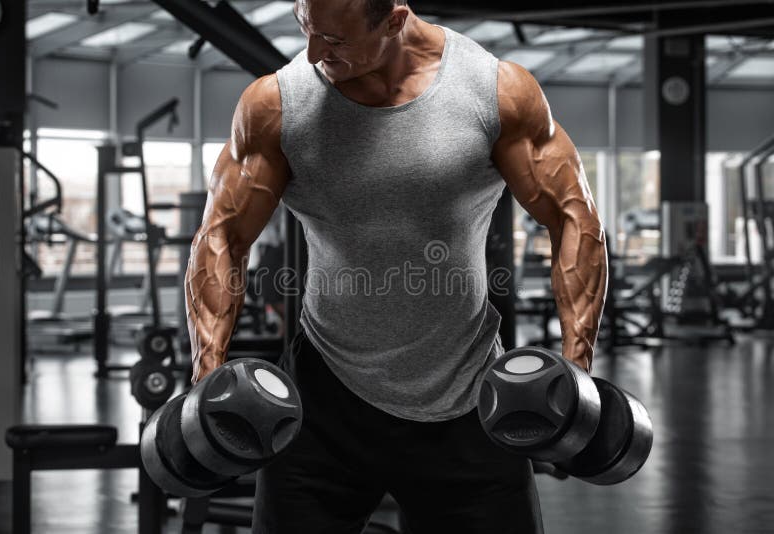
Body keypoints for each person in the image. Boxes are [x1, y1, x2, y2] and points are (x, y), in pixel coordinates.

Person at [184, 0, 608, 532]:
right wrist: (205, 373)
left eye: (334, 41)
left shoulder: (494, 91)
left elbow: (576, 217)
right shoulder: (277, 104)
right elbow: (221, 233)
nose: (313, 53)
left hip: (469, 401)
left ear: (394, 19)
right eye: (306, 31)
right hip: (321, 403)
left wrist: (578, 371)